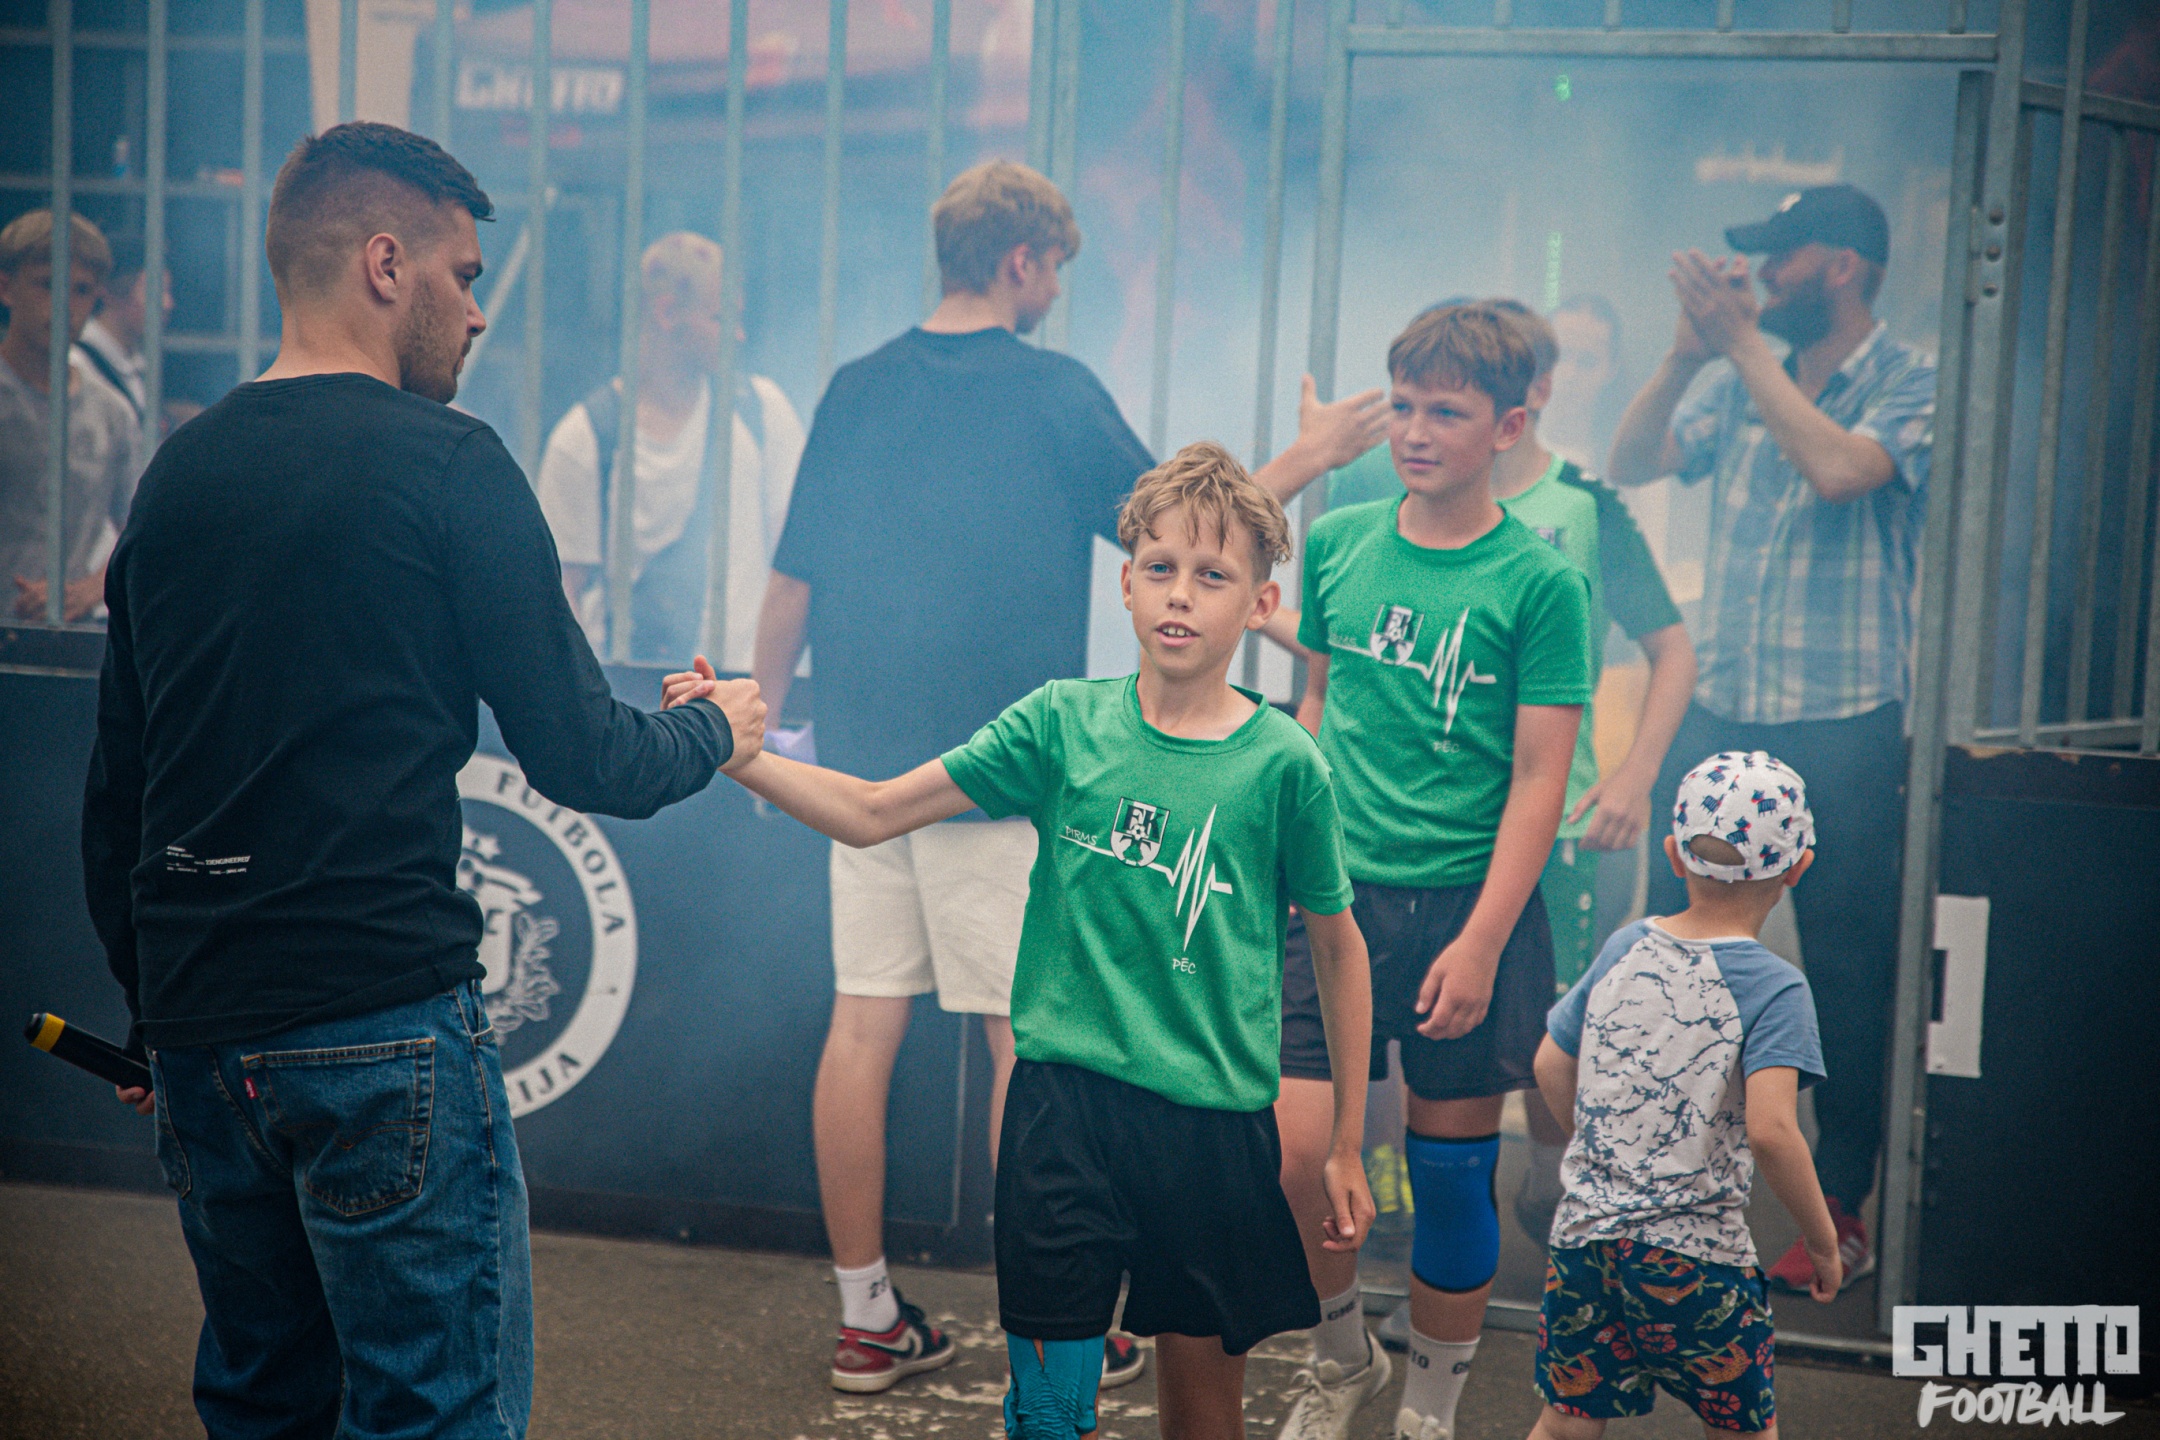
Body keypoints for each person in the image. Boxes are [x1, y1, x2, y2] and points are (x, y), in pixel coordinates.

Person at [81, 122, 765, 1437]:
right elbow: (584, 752)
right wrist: (716, 732)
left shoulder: (177, 477)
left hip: (203, 1037)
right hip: (380, 1019)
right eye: (464, 273)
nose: (479, 308)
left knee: (264, 1408)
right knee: (434, 1416)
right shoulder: (454, 465)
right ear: (385, 265)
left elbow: (122, 792)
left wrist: (151, 1010)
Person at [752, 158, 1386, 1395]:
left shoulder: (854, 385)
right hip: (1009, 772)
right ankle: (1072, 1318)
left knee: (862, 1026)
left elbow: (791, 579)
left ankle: (866, 1315)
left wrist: (762, 732)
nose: (1054, 293)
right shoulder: (1055, 392)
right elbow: (1194, 532)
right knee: (1024, 1046)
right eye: (1055, 271)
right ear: (1022, 261)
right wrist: (1304, 458)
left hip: (870, 758)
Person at [696, 445, 1376, 1440]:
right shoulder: (1061, 722)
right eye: (1160, 568)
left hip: (1213, 1131)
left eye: (1212, 575)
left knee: (1203, 1412)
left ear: (1260, 603)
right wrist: (736, 754)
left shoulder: (1285, 763)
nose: (1180, 594)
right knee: (1049, 1416)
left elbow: (1340, 950)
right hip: (1061, 1118)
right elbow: (875, 811)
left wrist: (1347, 1141)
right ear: (1126, 583)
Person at [1266, 304, 1593, 1440]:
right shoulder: (1341, 541)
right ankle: (1341, 1358)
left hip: (1468, 908)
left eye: (1445, 412)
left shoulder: (1542, 582)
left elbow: (1541, 778)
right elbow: (1318, 697)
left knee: (1451, 1177)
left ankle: (1431, 1412)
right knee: (1295, 1154)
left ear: (1508, 425)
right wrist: (1297, 846)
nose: (1413, 431)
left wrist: (1485, 941)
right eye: (1403, 406)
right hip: (1337, 903)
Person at [1606, 184, 1936, 1295]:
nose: (1762, 278)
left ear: (1841, 265)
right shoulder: (1743, 375)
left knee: (1845, 967)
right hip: (1727, 707)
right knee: (1678, 951)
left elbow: (1842, 471)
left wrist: (1742, 345)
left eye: (1782, 257)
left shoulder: (1911, 377)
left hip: (1844, 717)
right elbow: (1631, 460)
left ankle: (1838, 1205)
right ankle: (1660, 1176)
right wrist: (1685, 355)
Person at [1527, 751, 1840, 1439]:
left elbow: (1550, 1061)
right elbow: (1773, 1132)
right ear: (1798, 869)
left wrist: (1602, 1150)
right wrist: (1822, 1242)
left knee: (1564, 1426)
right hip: (1698, 1261)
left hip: (1586, 1241)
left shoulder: (1625, 947)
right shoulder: (1776, 988)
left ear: (1672, 854)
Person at [535, 230, 804, 669]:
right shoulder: (585, 437)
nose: (738, 335)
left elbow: (792, 561)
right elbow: (562, 591)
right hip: (628, 689)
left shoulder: (763, 412)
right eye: (720, 318)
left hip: (738, 686)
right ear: (667, 313)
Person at [0, 209, 142, 621]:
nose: (64, 304)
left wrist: (86, 592)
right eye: (47, 284)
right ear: (6, 287)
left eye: (81, 290)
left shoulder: (112, 414)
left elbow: (140, 533)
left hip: (70, 636)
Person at [78, 231, 171, 429]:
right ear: (111, 293)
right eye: (154, 291)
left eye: (167, 291)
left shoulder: (139, 362)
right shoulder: (78, 363)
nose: (167, 304)